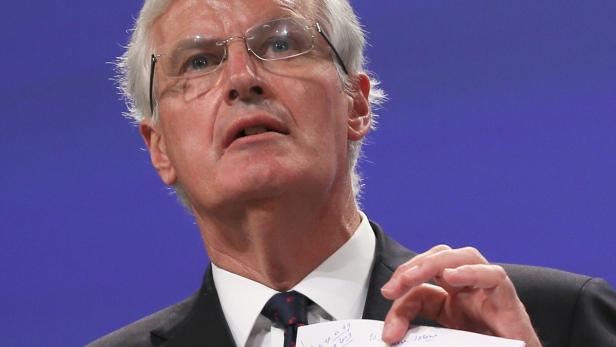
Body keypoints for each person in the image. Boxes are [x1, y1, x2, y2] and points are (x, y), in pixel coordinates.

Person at [90, 0, 616, 346]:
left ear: (356, 105)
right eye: (199, 62)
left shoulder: (555, 321)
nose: (242, 79)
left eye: (280, 44)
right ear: (160, 149)